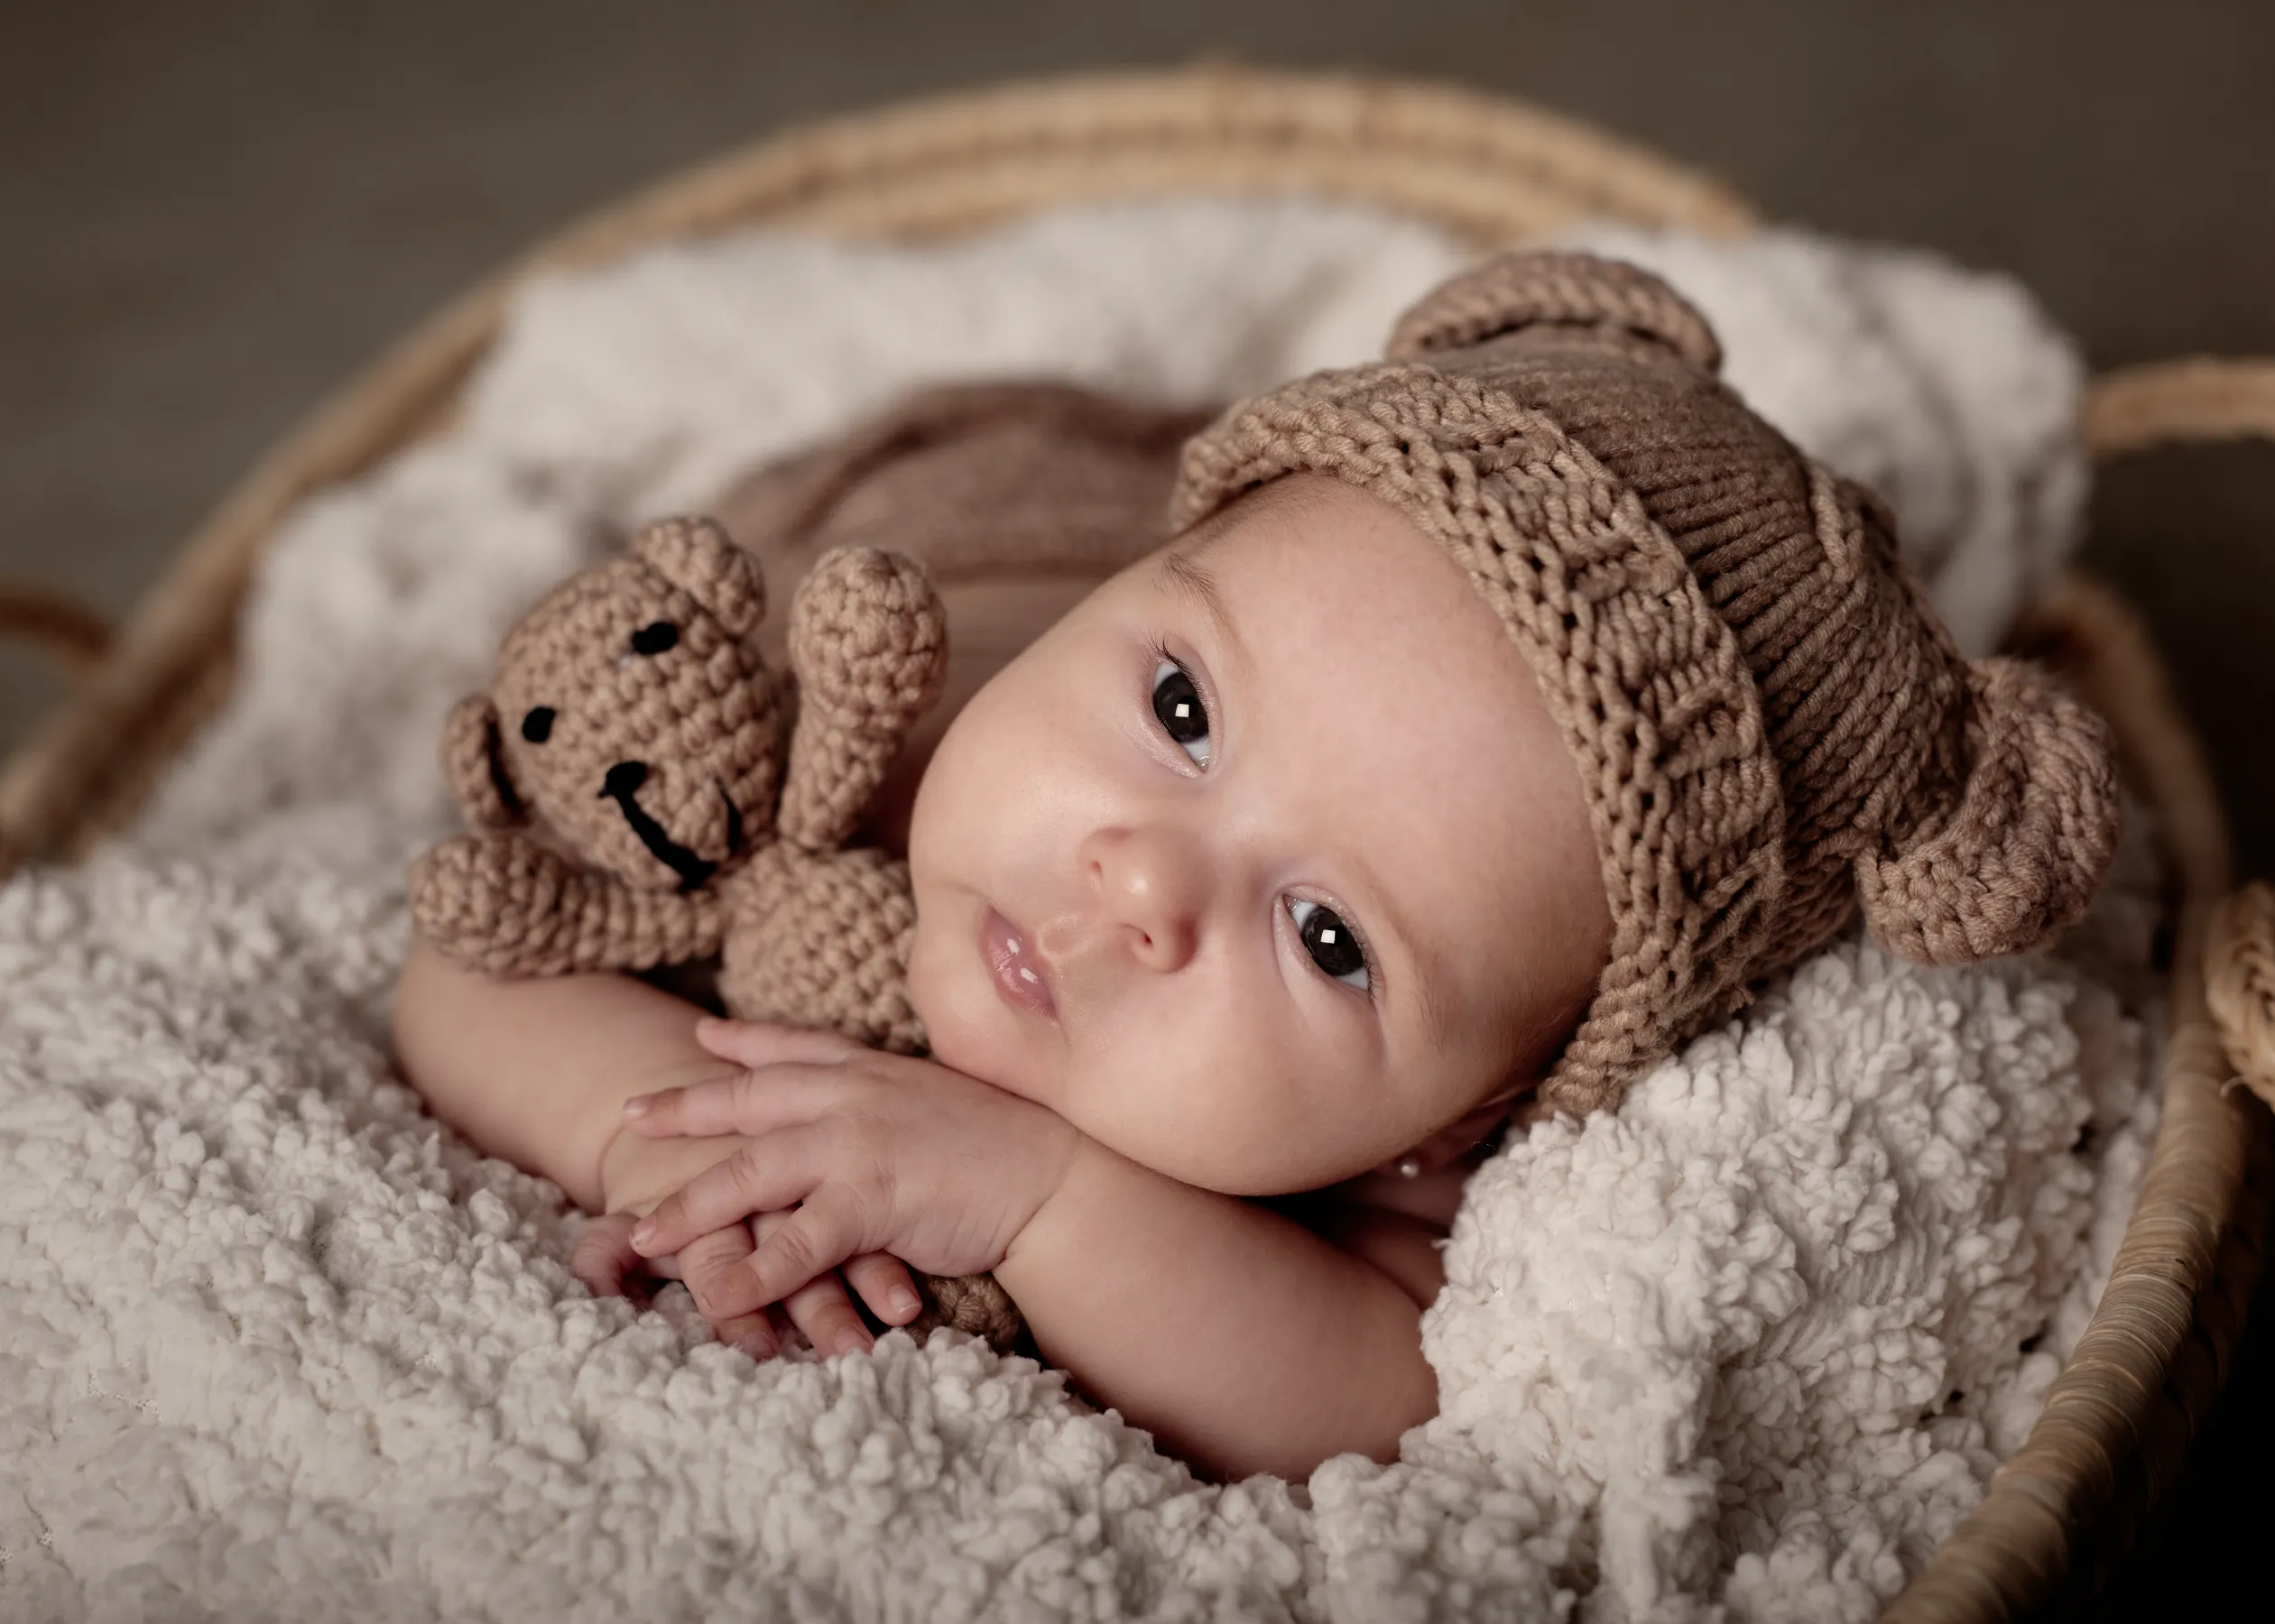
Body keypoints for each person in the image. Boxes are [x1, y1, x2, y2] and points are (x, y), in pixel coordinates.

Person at [391, 251, 2120, 1482]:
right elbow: (473, 951)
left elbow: (1375, 1394)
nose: (1142, 882)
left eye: (1327, 937)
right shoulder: (840, 749)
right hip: (971, 499)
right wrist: (677, 1144)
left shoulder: (1389, 1163)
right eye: (1177, 705)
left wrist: (1039, 1199)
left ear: (1468, 1115)